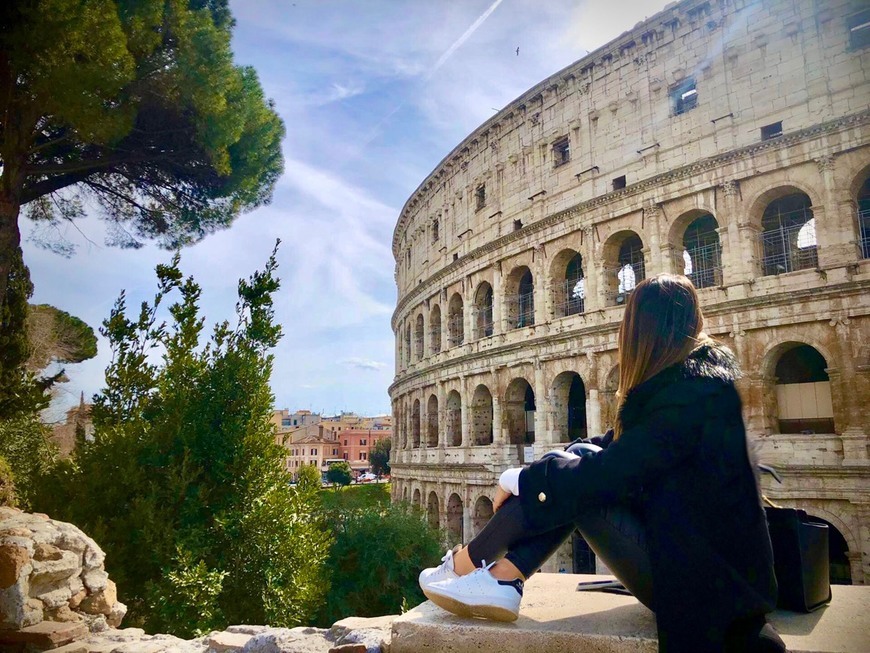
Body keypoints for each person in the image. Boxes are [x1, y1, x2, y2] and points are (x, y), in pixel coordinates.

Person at [418, 274, 785, 653]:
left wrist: (523, 479)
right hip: (701, 570)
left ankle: (474, 567)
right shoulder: (693, 387)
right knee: (576, 460)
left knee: (582, 478)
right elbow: (616, 447)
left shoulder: (692, 397)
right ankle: (497, 577)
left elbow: (610, 474)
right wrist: (539, 470)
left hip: (707, 588)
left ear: (639, 331)